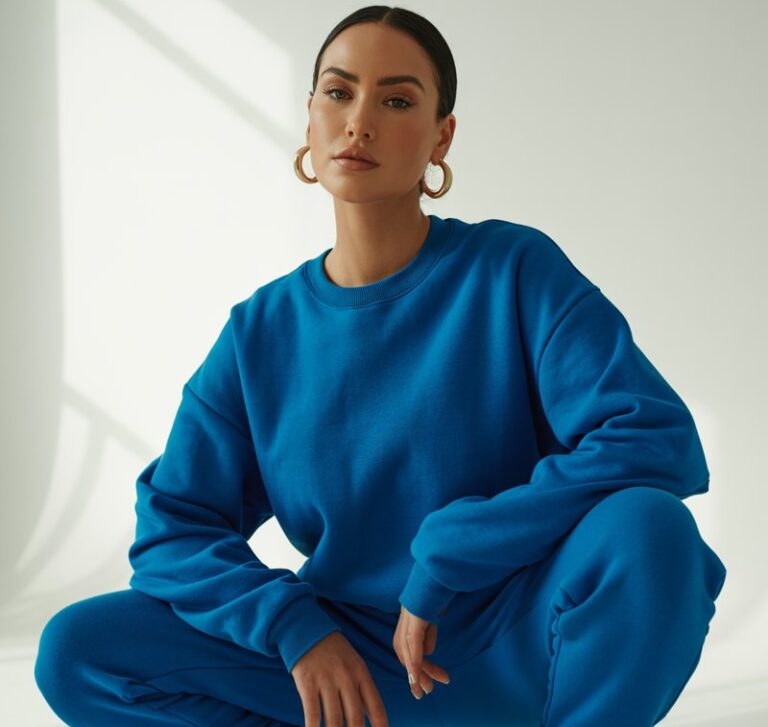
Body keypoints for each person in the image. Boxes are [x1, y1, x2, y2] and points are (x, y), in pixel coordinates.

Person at [33, 5, 727, 727]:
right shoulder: (260, 335)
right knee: (80, 648)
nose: (359, 120)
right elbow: (173, 528)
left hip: (523, 638)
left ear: (440, 136)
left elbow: (652, 436)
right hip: (357, 672)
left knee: (650, 529)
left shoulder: (511, 271)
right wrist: (295, 628)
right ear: (309, 117)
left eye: (396, 100)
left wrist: (449, 555)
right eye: (338, 92)